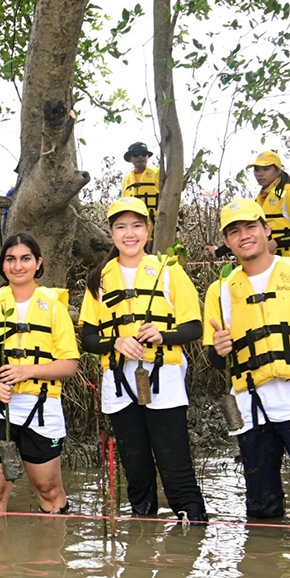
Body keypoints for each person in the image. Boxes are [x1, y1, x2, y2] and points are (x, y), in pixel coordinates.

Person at [203, 199, 290, 540]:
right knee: (261, 500)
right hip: (252, 407)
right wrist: (219, 351)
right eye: (234, 231)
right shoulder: (220, 290)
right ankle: (262, 574)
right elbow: (216, 359)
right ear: (227, 242)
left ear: (266, 230)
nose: (244, 236)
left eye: (251, 227)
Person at [79, 198, 207, 521]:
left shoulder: (170, 271)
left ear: (148, 229)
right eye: (121, 227)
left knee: (176, 468)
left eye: (136, 225)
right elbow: (89, 339)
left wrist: (163, 336)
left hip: (164, 378)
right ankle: (142, 535)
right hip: (120, 383)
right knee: (136, 471)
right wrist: (117, 342)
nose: (129, 234)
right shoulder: (99, 278)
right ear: (111, 232)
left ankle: (192, 530)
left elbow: (193, 327)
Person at [0, 233, 79, 514]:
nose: (18, 266)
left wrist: (27, 371)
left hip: (41, 405)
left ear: (38, 263)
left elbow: (69, 364)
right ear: (2, 264)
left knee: (49, 489)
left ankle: (50, 555)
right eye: (10, 259)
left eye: (25, 259)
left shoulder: (55, 310)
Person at [211, 152, 290, 261]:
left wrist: (275, 242)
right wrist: (217, 252)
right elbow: (246, 233)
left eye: (266, 169)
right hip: (279, 260)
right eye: (257, 170)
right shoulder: (261, 198)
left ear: (278, 171)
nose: (260, 174)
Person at [121, 142, 161, 224]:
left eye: (143, 154)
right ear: (130, 159)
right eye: (136, 155)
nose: (140, 157)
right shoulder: (126, 180)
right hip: (134, 227)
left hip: (158, 226)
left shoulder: (158, 173)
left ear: (147, 157)